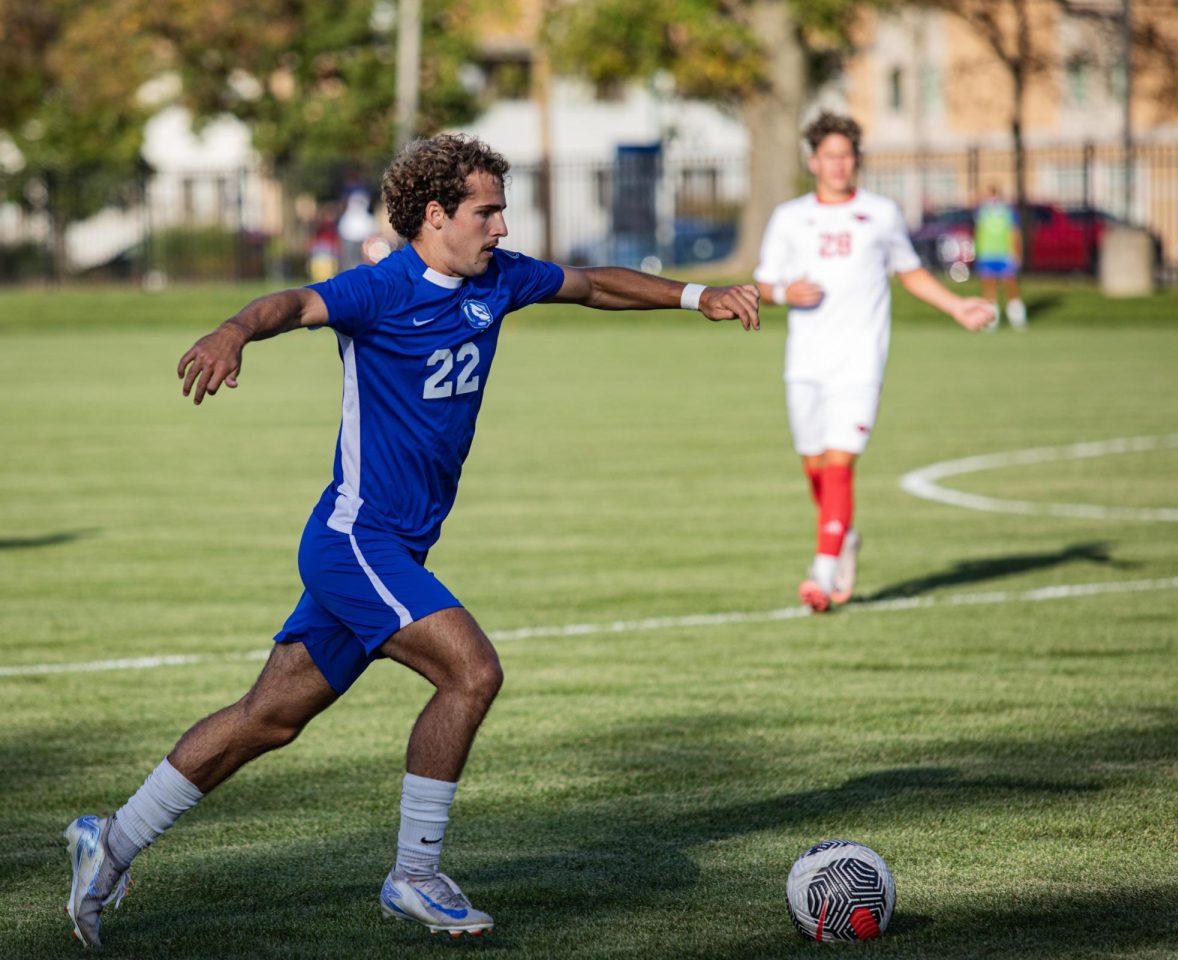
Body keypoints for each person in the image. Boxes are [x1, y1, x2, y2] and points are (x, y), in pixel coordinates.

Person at [62, 134, 760, 948]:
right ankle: (416, 876)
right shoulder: (380, 290)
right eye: (486, 211)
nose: (501, 227)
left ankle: (106, 844)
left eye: (501, 210)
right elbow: (288, 304)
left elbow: (593, 283)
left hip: (393, 548)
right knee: (472, 671)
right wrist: (232, 331)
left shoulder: (497, 279)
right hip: (357, 541)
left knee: (270, 716)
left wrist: (696, 295)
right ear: (435, 216)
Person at [753, 112, 993, 614]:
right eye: (830, 155)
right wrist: (782, 291)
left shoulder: (881, 213)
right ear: (813, 160)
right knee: (815, 466)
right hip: (805, 361)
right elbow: (762, 285)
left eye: (847, 155)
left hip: (860, 361)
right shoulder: (789, 217)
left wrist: (957, 306)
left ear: (856, 159)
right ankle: (844, 538)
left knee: (841, 464)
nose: (839, 164)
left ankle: (821, 571)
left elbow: (910, 273)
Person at [974, 184, 1026, 330]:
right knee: (989, 288)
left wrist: (1016, 251)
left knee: (1011, 286)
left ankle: (1017, 319)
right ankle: (991, 321)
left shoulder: (1008, 212)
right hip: (987, 254)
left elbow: (1014, 233)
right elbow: (979, 233)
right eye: (990, 195)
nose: (993, 199)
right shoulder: (982, 212)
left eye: (995, 195)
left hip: (1005, 254)